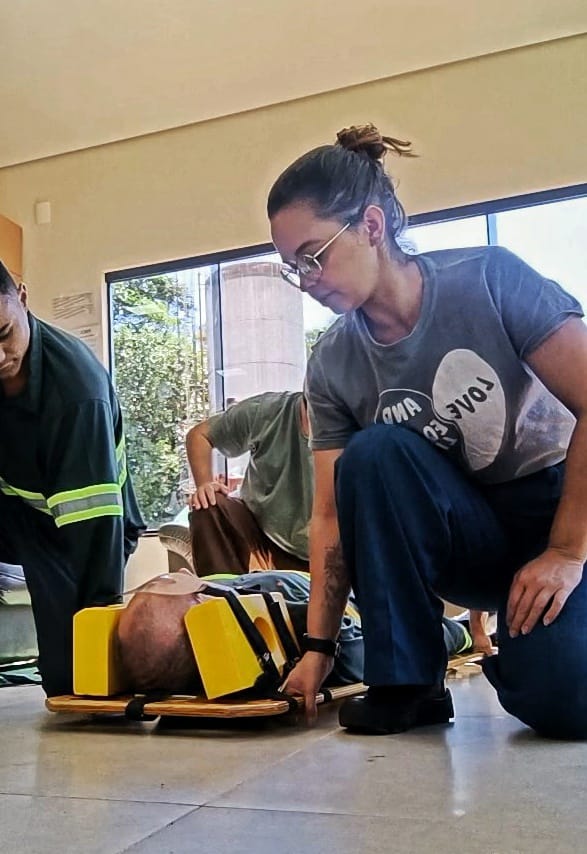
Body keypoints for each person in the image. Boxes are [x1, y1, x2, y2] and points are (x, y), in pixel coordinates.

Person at [267, 123, 587, 738]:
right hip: (471, 531)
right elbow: (330, 514)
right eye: (291, 268)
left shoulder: (489, 279)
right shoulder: (333, 362)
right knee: (373, 454)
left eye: (312, 256)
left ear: (370, 226)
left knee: (561, 695)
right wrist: (319, 647)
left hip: (560, 511)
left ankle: (539, 654)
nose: (305, 279)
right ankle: (409, 685)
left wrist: (568, 551)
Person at [0, 263, 145, 697]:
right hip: (16, 511)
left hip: (84, 531)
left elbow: (95, 534)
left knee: (74, 681)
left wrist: (97, 637)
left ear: (23, 298)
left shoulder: (77, 392)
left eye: (3, 333)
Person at [114, 569, 473, 695]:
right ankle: (467, 630)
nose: (181, 576)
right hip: (347, 608)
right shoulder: (337, 649)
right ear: (201, 606)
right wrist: (319, 631)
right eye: (171, 582)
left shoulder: (219, 593)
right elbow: (358, 647)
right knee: (425, 635)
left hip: (312, 585)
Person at [185, 391, 312, 576]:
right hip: (260, 534)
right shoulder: (266, 411)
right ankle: (222, 589)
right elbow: (200, 435)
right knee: (208, 504)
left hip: (323, 552)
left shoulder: (353, 430)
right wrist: (205, 485)